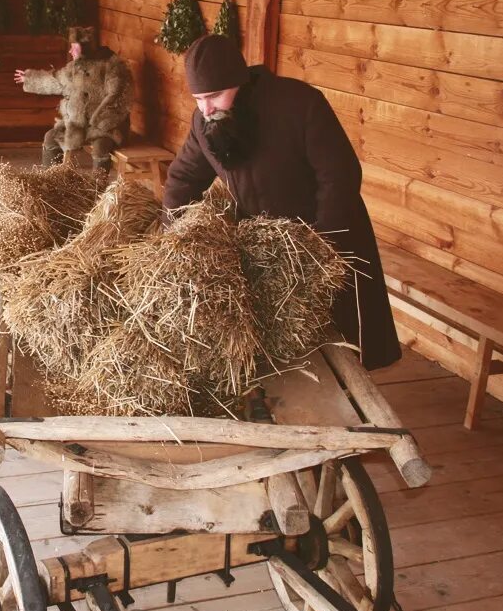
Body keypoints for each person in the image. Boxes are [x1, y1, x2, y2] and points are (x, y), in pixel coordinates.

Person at [162, 35, 401, 370]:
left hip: (327, 232)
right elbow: (184, 178)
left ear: (239, 82)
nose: (207, 108)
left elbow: (339, 176)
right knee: (287, 344)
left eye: (214, 95)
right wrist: (173, 236)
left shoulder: (300, 104)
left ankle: (357, 404)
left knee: (344, 337)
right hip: (268, 245)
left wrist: (321, 246)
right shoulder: (205, 124)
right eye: (199, 98)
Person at [13, 26, 133, 172]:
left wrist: (98, 121)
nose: (70, 51)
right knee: (51, 137)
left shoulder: (111, 66)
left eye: (73, 48)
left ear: (84, 48)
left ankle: (96, 190)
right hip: (78, 124)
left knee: (101, 147)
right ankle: (51, 181)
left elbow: (117, 97)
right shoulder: (75, 68)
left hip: (106, 126)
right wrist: (30, 78)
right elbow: (56, 80)